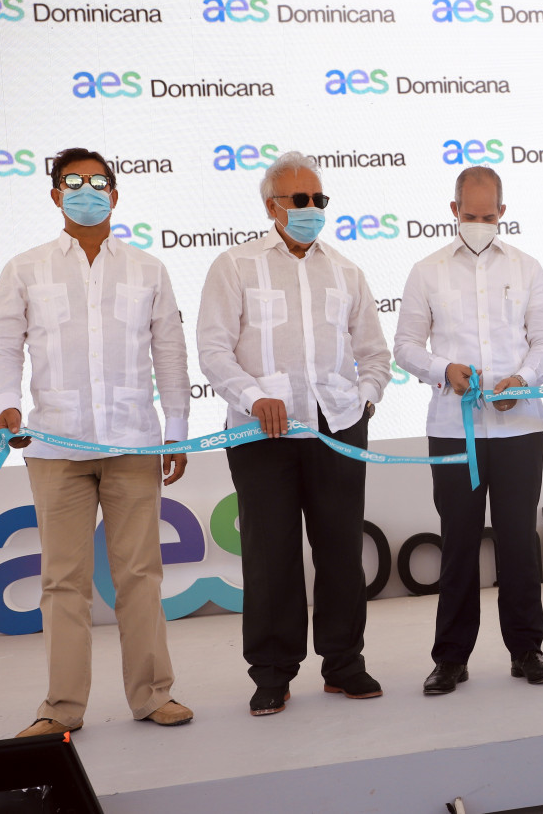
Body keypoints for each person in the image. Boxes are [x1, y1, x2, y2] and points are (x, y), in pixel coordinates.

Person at [0, 147, 193, 736]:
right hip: (55, 448)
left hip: (133, 445)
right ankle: (61, 708)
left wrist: (175, 431)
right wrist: (6, 405)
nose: (85, 190)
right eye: (72, 182)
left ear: (115, 194)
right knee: (62, 583)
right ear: (56, 195)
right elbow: (3, 346)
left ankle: (153, 696)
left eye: (97, 182)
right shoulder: (25, 268)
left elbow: (170, 353)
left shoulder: (147, 269)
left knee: (140, 576)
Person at [196, 151, 392, 716]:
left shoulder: (347, 271)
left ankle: (344, 664)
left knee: (340, 552)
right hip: (261, 433)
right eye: (299, 199)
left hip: (337, 430)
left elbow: (374, 353)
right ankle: (272, 673)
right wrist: (251, 397)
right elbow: (213, 348)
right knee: (269, 555)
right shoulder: (234, 266)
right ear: (271, 206)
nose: (312, 209)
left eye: (318, 199)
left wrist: (365, 402)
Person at [394, 167, 543, 695]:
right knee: (459, 544)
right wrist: (443, 369)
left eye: (489, 216)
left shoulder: (528, 268)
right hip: (453, 429)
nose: (480, 224)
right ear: (454, 211)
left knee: (519, 544)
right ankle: (450, 658)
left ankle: (527, 650)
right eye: (470, 215)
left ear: (503, 213)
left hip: (519, 428)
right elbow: (405, 346)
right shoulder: (426, 271)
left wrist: (524, 380)